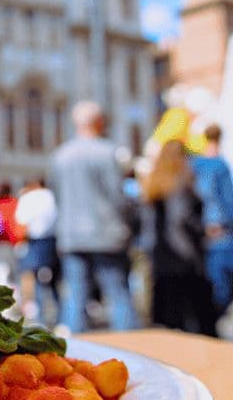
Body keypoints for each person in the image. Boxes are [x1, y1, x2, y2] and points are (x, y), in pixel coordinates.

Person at [50, 101, 138, 333]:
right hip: (106, 233)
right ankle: (131, 352)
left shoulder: (61, 156)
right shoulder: (108, 152)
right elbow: (118, 196)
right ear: (99, 122)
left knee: (75, 296)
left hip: (71, 235)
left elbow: (57, 197)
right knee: (118, 294)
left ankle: (73, 359)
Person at [141, 141, 215, 335]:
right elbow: (184, 218)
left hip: (161, 258)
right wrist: (203, 231)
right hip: (185, 256)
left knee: (169, 319)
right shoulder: (181, 182)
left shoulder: (153, 183)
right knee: (196, 317)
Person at [192, 124, 233, 327]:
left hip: (200, 231)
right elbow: (227, 199)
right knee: (222, 285)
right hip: (220, 230)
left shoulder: (195, 164)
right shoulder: (220, 165)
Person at [15, 178, 60, 323]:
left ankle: (40, 316)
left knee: (34, 278)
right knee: (53, 280)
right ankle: (58, 315)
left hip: (33, 242)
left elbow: (21, 224)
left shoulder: (27, 198)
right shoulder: (51, 195)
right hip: (52, 240)